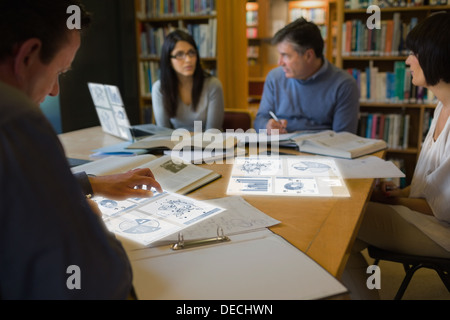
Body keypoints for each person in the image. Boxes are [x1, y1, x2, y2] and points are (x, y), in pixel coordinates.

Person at [0, 0, 159, 299]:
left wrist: (89, 184)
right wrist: (91, 221)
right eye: (59, 70)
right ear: (28, 56)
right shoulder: (17, 123)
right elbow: (102, 282)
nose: (54, 91)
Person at [342, 12, 450, 300]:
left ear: (437, 55)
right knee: (342, 232)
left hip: (444, 232)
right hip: (433, 220)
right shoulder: (441, 107)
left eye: (414, 53)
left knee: (342, 220)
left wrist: (396, 199)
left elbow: (445, 208)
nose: (407, 61)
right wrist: (399, 193)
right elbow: (433, 189)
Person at [253, 18, 360, 134]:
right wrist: (267, 126)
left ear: (308, 55)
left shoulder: (344, 85)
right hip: (280, 147)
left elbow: (344, 138)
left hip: (322, 150)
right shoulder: (274, 78)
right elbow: (260, 120)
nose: (280, 62)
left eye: (285, 55)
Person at [152, 29, 224, 131]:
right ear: (168, 60)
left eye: (191, 53)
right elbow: (163, 133)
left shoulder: (213, 85)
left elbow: (213, 132)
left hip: (209, 145)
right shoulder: (159, 88)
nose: (188, 60)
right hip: (174, 146)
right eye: (180, 54)